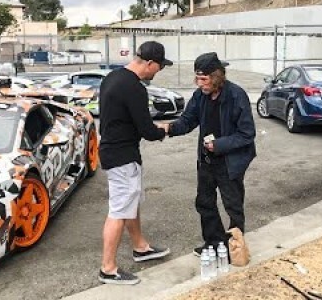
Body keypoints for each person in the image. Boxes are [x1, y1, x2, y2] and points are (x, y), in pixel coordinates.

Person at [163, 52, 256, 258]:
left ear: (217, 76)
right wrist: (167, 129)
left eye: (203, 79)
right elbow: (187, 121)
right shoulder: (199, 96)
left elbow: (247, 134)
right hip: (206, 160)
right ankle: (214, 242)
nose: (199, 84)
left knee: (233, 206)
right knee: (204, 202)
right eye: (197, 78)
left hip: (229, 162)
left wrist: (219, 145)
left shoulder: (236, 95)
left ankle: (234, 246)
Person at [97, 40, 174, 285]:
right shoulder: (135, 88)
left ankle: (140, 247)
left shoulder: (112, 77)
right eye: (159, 67)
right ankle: (107, 268)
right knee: (119, 210)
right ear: (149, 63)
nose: (158, 72)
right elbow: (147, 130)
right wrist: (165, 130)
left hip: (114, 150)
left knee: (131, 202)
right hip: (121, 157)